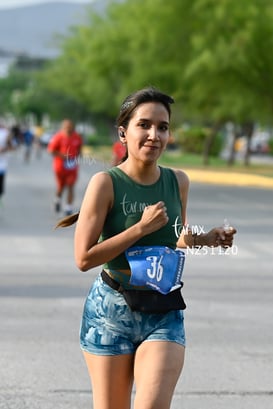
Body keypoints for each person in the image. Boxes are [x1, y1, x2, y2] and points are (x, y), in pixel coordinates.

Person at [57, 87, 236, 409]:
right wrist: (140, 228)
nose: (154, 135)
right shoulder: (105, 183)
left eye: (163, 127)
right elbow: (83, 259)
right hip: (111, 311)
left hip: (163, 307)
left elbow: (176, 235)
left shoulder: (177, 180)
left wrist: (208, 238)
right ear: (124, 133)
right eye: (145, 125)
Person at [48, 119, 83, 216]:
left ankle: (68, 208)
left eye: (70, 126)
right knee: (61, 187)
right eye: (66, 127)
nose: (69, 128)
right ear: (63, 127)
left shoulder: (77, 137)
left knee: (71, 186)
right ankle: (57, 200)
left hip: (72, 167)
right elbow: (51, 150)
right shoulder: (58, 137)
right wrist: (62, 155)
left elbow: (79, 148)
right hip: (60, 166)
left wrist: (78, 157)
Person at [0, 124, 14, 207]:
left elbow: (12, 146)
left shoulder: (5, 133)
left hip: (1, 165)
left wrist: (3, 149)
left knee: (0, 187)